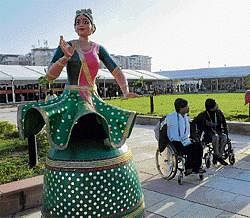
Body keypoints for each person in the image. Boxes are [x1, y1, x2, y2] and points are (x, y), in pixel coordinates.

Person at [166, 98, 205, 174]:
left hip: (185, 140)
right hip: (175, 142)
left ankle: (196, 167)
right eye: (186, 106)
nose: (188, 107)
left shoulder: (186, 117)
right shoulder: (170, 117)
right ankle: (189, 168)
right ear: (181, 108)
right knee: (191, 148)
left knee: (199, 146)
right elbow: (159, 129)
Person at [193, 98, 228, 165]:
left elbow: (224, 123)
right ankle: (217, 156)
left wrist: (226, 132)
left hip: (218, 132)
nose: (217, 105)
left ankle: (219, 156)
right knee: (216, 137)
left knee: (224, 137)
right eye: (215, 105)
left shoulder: (219, 113)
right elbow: (194, 123)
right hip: (208, 134)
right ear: (211, 108)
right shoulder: (203, 115)